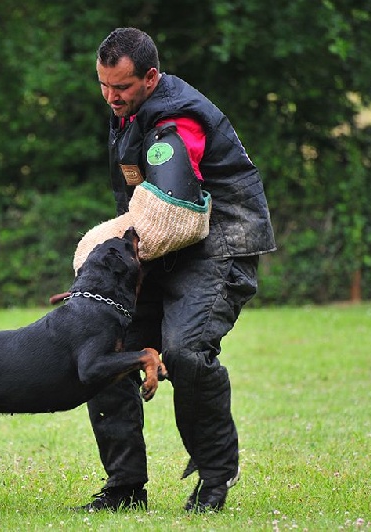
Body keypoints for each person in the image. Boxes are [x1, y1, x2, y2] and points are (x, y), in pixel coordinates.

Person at [74, 27, 276, 513]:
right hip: (161, 245)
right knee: (106, 352)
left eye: (120, 87)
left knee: (185, 352)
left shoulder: (177, 120)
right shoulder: (128, 112)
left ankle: (215, 475)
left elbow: (176, 207)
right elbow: (148, 209)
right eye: (103, 85)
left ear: (151, 77)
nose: (111, 97)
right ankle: (125, 487)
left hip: (215, 243)